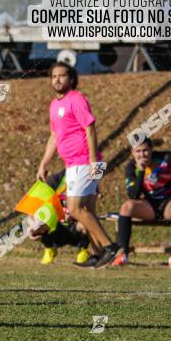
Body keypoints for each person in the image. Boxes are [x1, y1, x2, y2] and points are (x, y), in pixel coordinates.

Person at [36, 62, 118, 269]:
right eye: (53, 76)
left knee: (74, 209)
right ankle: (98, 252)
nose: (57, 80)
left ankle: (109, 247)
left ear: (70, 78)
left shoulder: (77, 99)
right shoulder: (54, 105)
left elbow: (90, 129)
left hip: (84, 161)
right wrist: (43, 163)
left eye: (62, 76)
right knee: (87, 209)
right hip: (72, 164)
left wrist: (93, 161)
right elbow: (54, 136)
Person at [114, 138, 171, 268]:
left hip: (168, 205)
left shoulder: (166, 158)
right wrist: (141, 170)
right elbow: (134, 195)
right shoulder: (131, 167)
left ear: (151, 149)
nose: (142, 155)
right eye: (138, 151)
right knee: (126, 207)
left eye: (145, 150)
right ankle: (122, 254)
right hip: (148, 207)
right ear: (132, 152)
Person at [29, 170, 91, 265]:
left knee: (88, 219)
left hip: (76, 226)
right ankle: (50, 248)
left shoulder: (89, 175)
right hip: (56, 227)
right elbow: (34, 205)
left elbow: (97, 161)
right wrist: (32, 228)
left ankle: (88, 251)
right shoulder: (58, 179)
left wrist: (75, 213)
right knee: (38, 221)